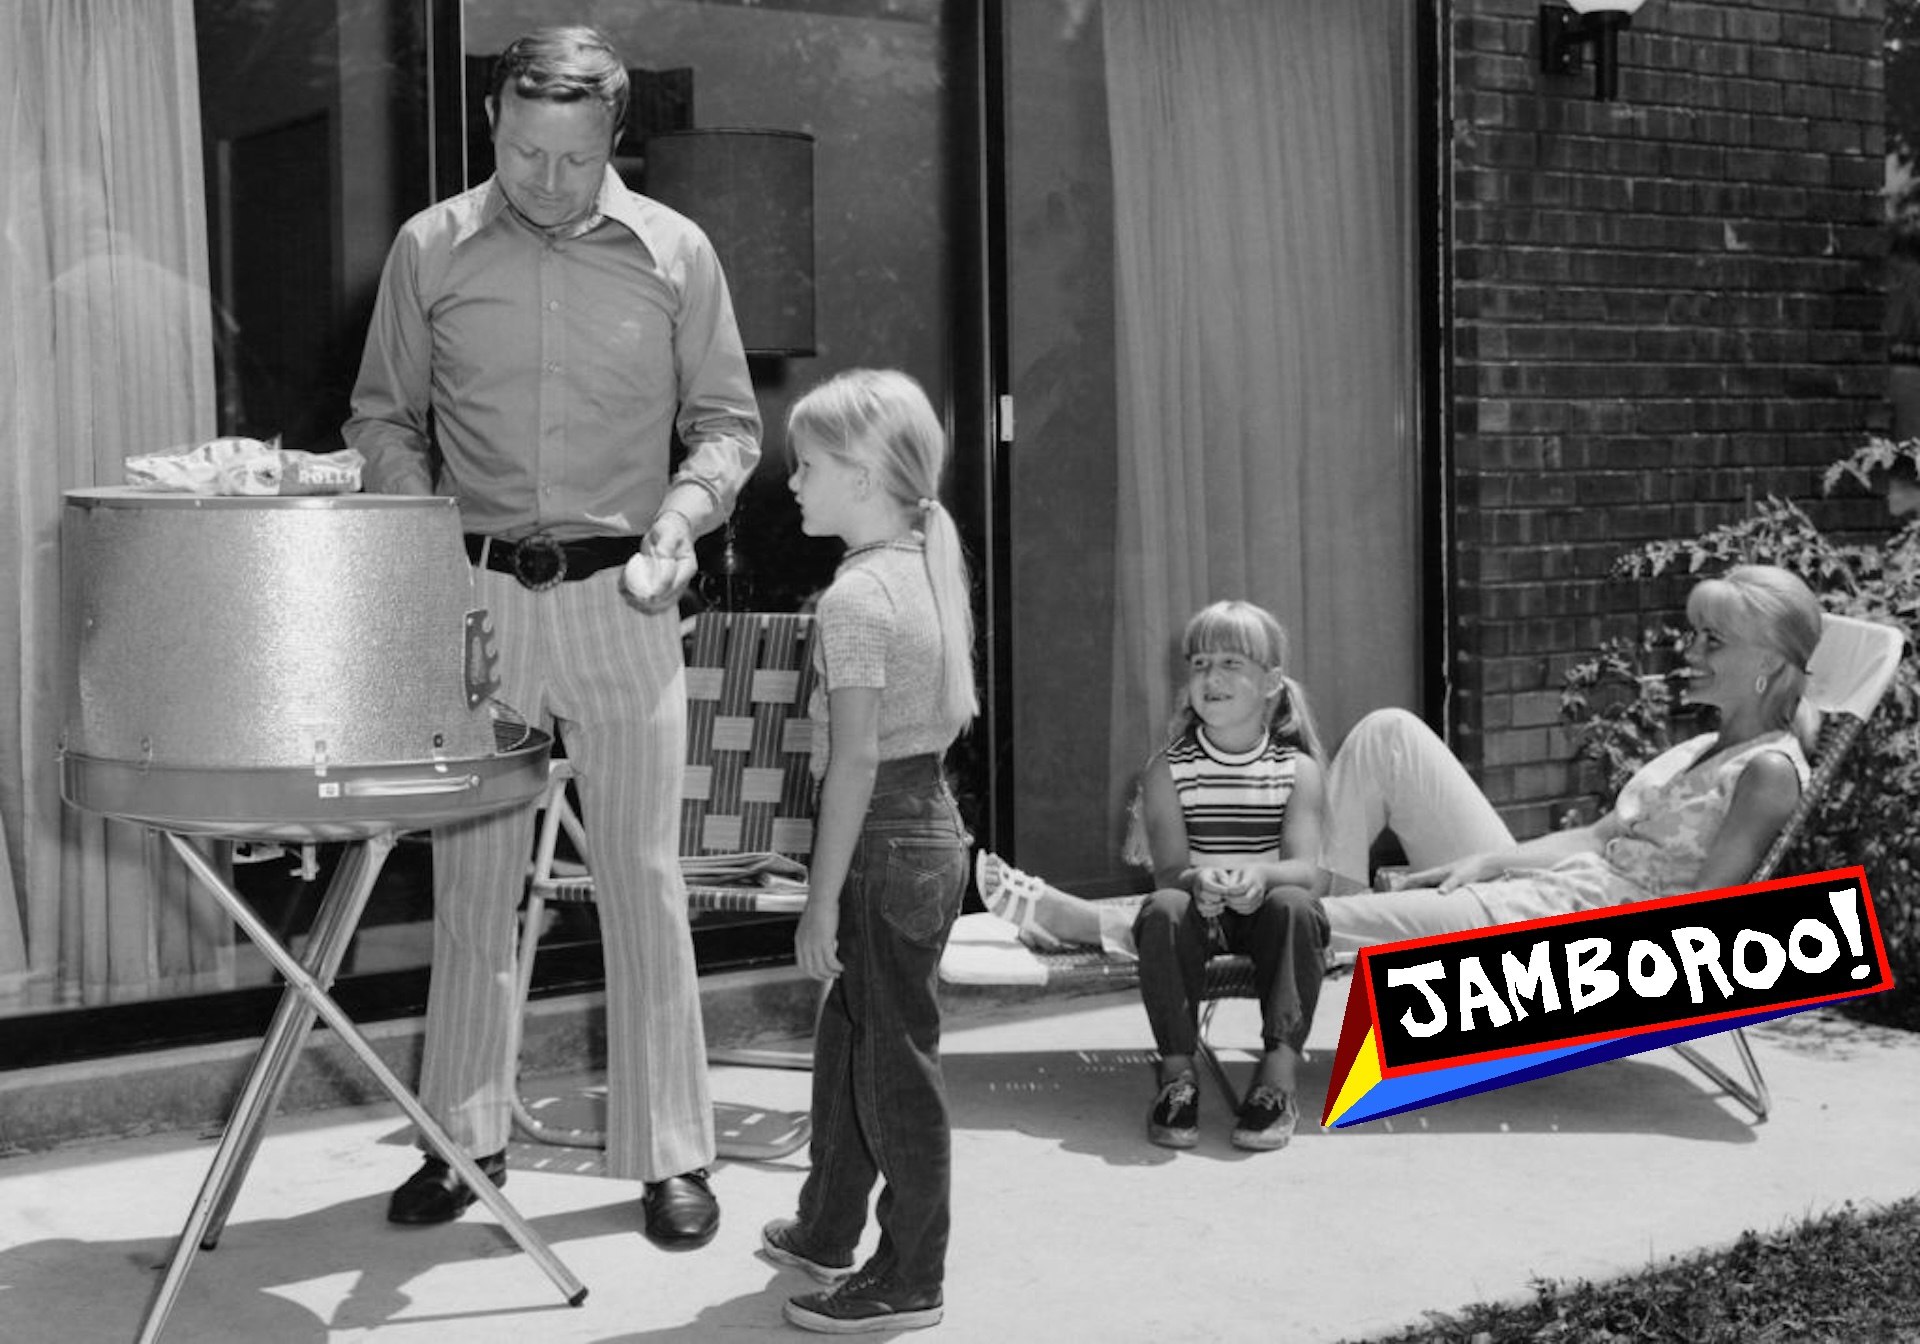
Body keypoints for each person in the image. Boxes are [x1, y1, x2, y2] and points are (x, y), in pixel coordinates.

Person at [343, 26, 760, 1250]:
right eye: (527, 152)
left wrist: (684, 521)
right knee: (476, 889)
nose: (548, 181)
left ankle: (671, 1155)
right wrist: (421, 527)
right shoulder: (430, 249)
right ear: (493, 122)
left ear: (612, 141)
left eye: (576, 160)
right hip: (475, 601)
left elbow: (728, 426)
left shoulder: (676, 254)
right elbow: (382, 413)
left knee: (640, 880)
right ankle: (465, 1141)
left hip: (625, 598)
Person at [981, 564, 1820, 1000]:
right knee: (1387, 733)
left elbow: (1700, 929)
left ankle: (1094, 924)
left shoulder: (1768, 773)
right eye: (1694, 634)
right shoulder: (1697, 749)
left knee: (1276, 909)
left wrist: (1555, 948)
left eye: (1713, 641)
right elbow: (1602, 838)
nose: (1691, 653)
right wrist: (1491, 863)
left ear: (1769, 667)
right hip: (1544, 887)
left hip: (1571, 932)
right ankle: (1320, 898)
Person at [757, 369, 976, 1334]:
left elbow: (850, 763)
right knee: (855, 1036)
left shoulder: (855, 598)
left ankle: (909, 1276)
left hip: (884, 838)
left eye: (805, 466)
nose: (792, 483)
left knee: (893, 1064)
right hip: (924, 824)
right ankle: (826, 1224)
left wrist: (817, 896)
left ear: (858, 473)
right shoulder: (918, 568)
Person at [986, 600, 1330, 1153]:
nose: (1210, 677)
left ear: (1271, 682)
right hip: (1200, 911)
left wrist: (1257, 877)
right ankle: (1178, 1075)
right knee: (1163, 911)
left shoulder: (1297, 771)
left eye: (1230, 664)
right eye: (1198, 664)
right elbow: (1169, 873)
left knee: (1296, 905)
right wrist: (1202, 883)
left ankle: (1277, 1080)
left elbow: (1304, 869)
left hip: (1268, 914)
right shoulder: (1168, 769)